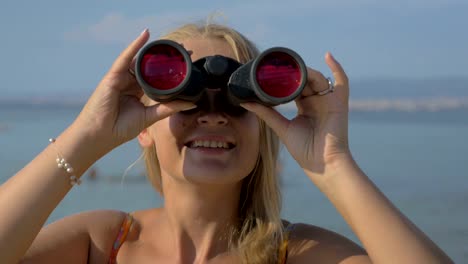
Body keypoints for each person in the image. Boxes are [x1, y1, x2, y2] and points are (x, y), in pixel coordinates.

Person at [0, 20, 454, 264]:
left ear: (266, 123)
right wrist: (86, 137)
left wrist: (332, 164)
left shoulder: (297, 255)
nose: (213, 114)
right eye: (185, 97)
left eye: (240, 100)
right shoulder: (102, 243)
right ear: (143, 123)